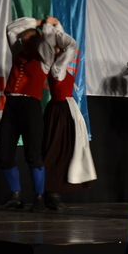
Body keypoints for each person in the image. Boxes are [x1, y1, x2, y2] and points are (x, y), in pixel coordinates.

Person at [0, 16, 75, 212]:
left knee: (33, 154)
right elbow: (11, 29)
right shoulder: (18, 53)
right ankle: (15, 195)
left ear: (37, 42)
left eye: (28, 41)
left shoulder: (45, 59)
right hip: (11, 106)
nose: (23, 43)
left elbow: (60, 43)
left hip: (30, 107)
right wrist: (37, 22)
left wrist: (49, 26)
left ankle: (39, 197)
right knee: (4, 152)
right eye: (23, 41)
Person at [41, 42, 97, 210]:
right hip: (60, 111)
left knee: (67, 150)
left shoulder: (60, 67)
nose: (60, 50)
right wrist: (58, 35)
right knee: (54, 149)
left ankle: (52, 191)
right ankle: (48, 191)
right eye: (56, 48)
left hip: (68, 110)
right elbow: (71, 47)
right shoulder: (56, 67)